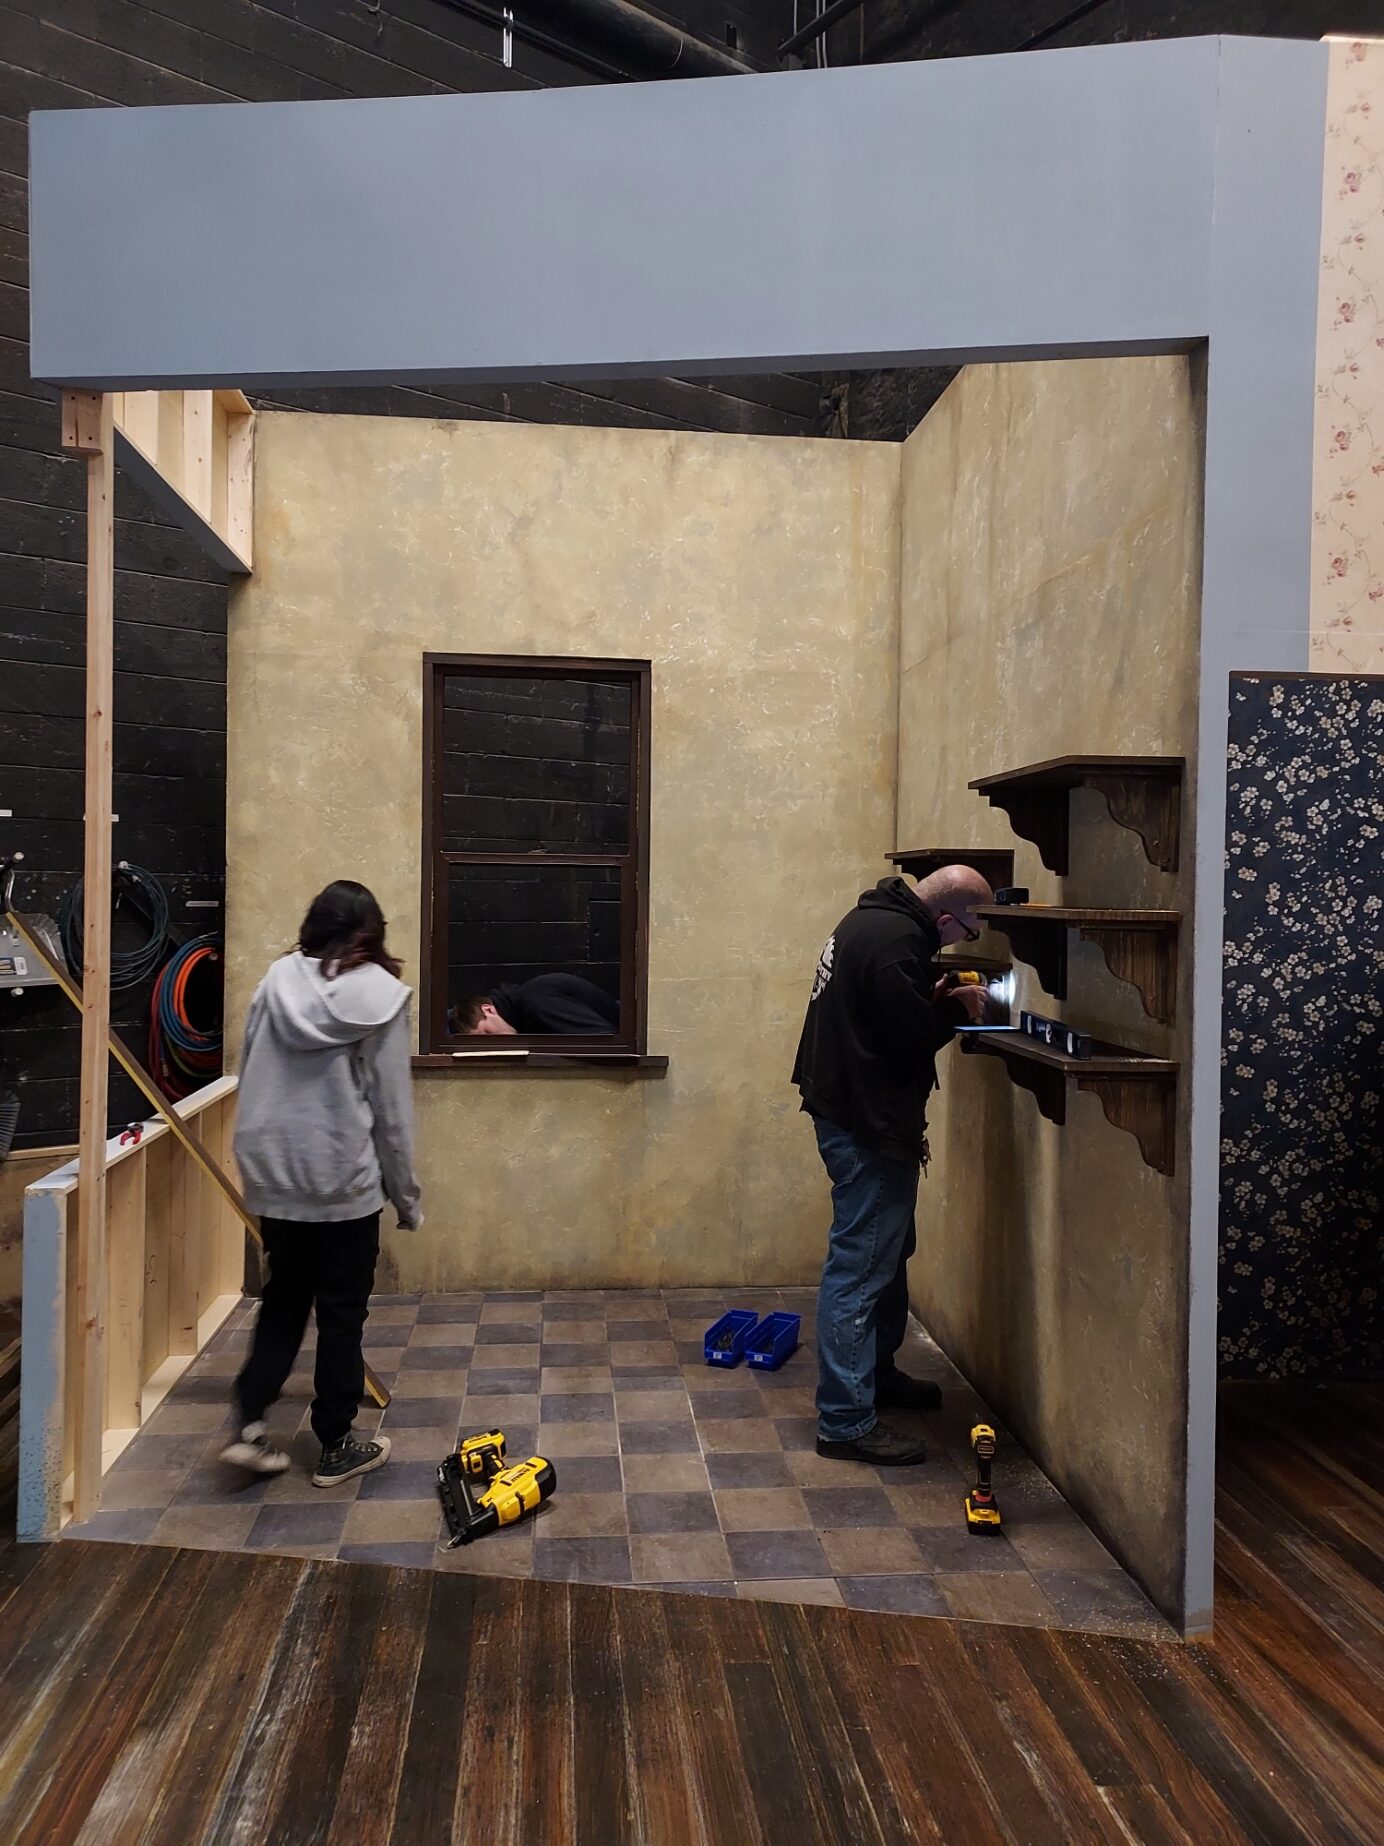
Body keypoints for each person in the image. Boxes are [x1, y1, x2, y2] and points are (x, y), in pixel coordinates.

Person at [221, 880, 422, 1487]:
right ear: (373, 934)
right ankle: (335, 1445)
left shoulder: (274, 982)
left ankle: (250, 1424)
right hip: (342, 1184)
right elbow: (391, 1110)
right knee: (341, 1315)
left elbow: (250, 1071)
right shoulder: (382, 997)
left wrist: (258, 1170)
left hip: (277, 1177)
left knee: (283, 1300)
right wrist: (407, 1197)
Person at [793, 865, 993, 1467]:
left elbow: (880, 1013)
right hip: (868, 1126)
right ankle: (845, 1421)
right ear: (946, 917)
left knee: (887, 1251)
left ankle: (874, 1376)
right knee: (859, 1270)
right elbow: (907, 1041)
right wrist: (956, 1009)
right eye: (968, 932)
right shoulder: (897, 941)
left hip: (846, 1109)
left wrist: (928, 996)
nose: (962, 942)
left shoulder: (870, 920)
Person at [450, 971, 619, 1037]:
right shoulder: (526, 1007)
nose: (493, 1042)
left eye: (487, 1032)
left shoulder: (537, 1001)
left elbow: (605, 1042)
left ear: (488, 1010)